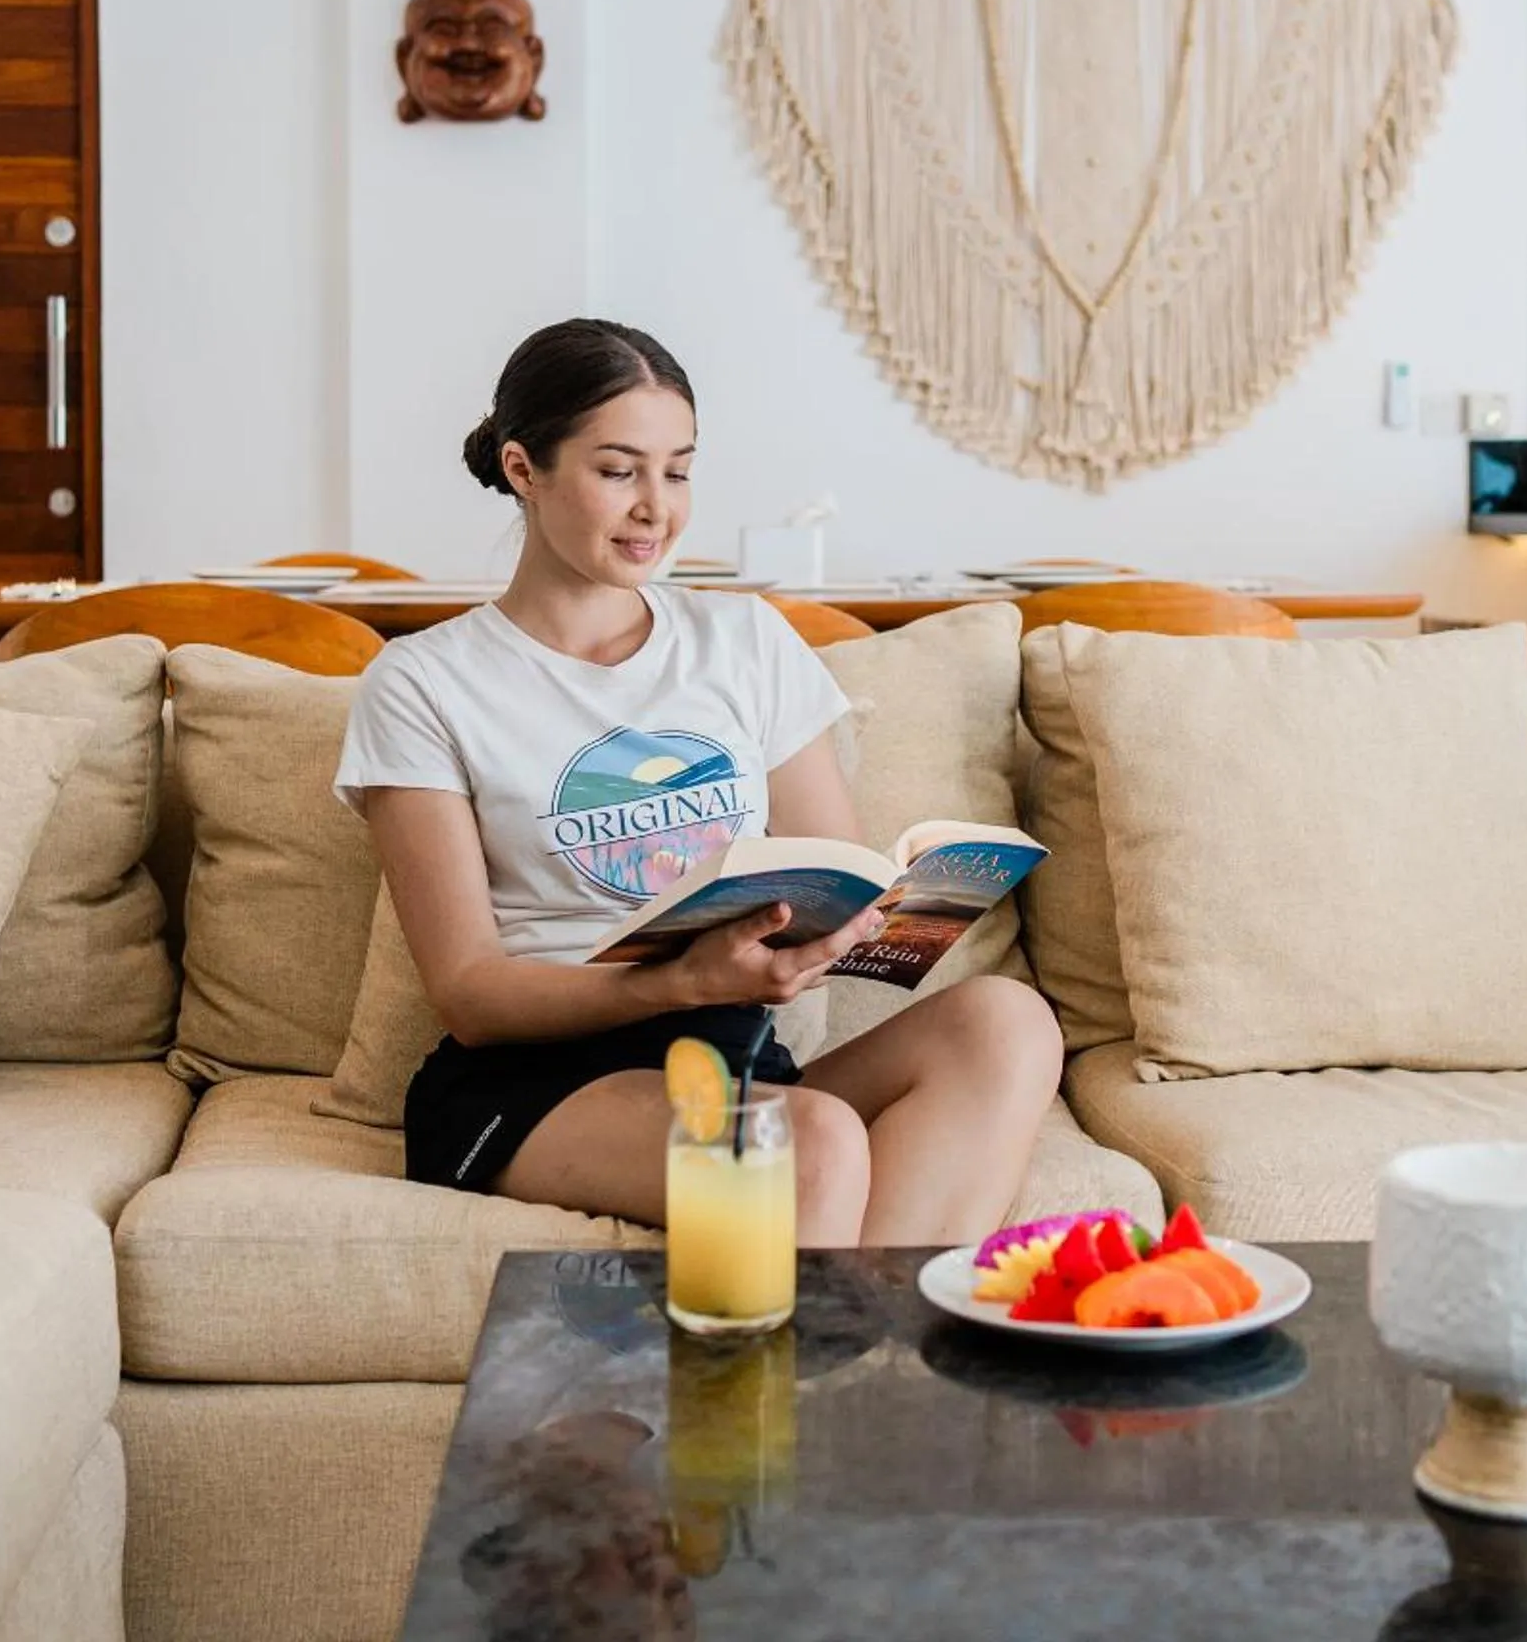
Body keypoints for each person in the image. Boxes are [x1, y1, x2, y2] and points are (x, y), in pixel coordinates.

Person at [335, 317, 1063, 1246]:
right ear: (524, 469)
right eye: (617, 470)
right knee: (813, 1144)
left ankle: (861, 1363)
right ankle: (858, 1367)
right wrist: (680, 982)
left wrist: (860, 920)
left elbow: (828, 870)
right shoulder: (425, 683)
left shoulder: (745, 642)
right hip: (536, 1081)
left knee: (1008, 1021)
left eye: (677, 471)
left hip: (732, 1061)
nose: (656, 507)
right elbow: (472, 996)